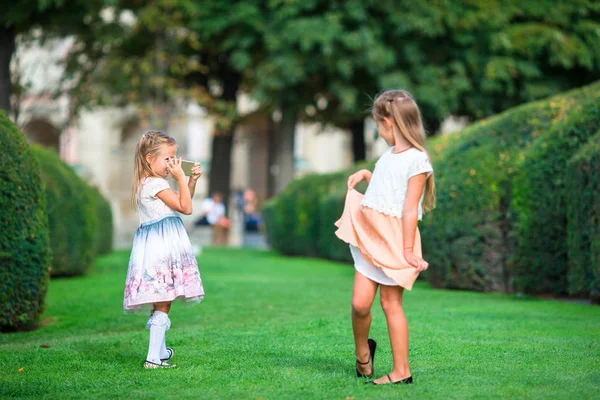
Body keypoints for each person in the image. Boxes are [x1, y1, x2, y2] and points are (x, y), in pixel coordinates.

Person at [334, 90, 435, 385]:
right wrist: (367, 174)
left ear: (389, 122)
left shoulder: (418, 160)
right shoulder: (389, 154)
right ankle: (363, 353)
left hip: (395, 239)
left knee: (391, 304)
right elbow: (387, 185)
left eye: (378, 124)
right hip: (372, 235)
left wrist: (406, 250)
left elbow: (407, 208)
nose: (377, 130)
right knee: (359, 304)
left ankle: (402, 371)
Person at [123, 130, 205, 369]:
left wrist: (191, 180)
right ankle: (153, 358)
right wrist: (181, 177)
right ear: (149, 158)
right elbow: (186, 208)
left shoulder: (147, 182)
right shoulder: (156, 183)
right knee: (164, 300)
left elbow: (182, 201)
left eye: (175, 157)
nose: (173, 162)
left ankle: (159, 351)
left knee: (160, 299)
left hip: (154, 246)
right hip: (162, 249)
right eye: (168, 158)